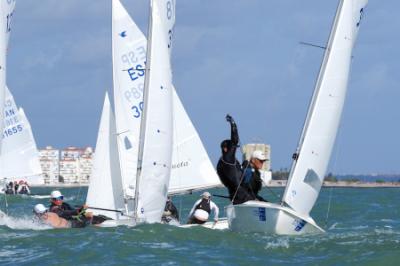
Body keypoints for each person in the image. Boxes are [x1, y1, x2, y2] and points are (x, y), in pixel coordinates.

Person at [216, 114, 254, 204]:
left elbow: (230, 178)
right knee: (248, 167)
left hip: (234, 195)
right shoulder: (227, 158)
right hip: (242, 195)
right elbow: (235, 140)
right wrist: (233, 124)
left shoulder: (221, 163)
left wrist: (243, 166)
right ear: (225, 149)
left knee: (246, 166)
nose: (235, 148)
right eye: (232, 147)